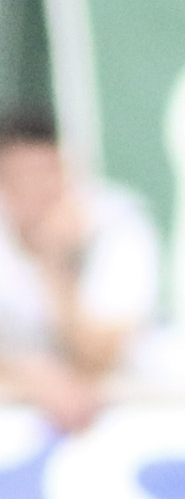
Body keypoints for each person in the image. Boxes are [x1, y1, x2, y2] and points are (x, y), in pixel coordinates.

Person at [0, 112, 158, 439]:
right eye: (19, 179)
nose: (35, 191)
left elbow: (98, 358)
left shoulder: (115, 226)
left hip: (137, 409)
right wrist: (29, 375)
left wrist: (56, 265)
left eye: (45, 174)